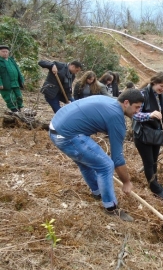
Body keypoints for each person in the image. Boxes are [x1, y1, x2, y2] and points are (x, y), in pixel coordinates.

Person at [49, 89, 144, 222]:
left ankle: (98, 192)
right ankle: (111, 208)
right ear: (126, 102)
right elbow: (117, 159)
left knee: (87, 162)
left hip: (55, 129)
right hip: (67, 136)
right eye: (137, 107)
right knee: (106, 166)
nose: (138, 111)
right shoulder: (116, 118)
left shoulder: (110, 101)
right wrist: (126, 182)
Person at [132, 72, 163, 201]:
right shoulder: (143, 94)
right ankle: (156, 190)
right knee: (149, 163)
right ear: (154, 82)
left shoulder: (158, 96)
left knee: (154, 161)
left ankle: (155, 183)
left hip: (155, 134)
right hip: (143, 135)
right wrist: (149, 115)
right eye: (161, 85)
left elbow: (162, 116)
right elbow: (133, 114)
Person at [0, 45, 25, 112]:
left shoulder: (11, 60)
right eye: (3, 52)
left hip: (15, 83)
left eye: (6, 52)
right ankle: (14, 110)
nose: (5, 53)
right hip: (6, 84)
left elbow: (18, 70)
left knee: (19, 96)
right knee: (10, 98)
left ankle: (19, 109)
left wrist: (21, 79)